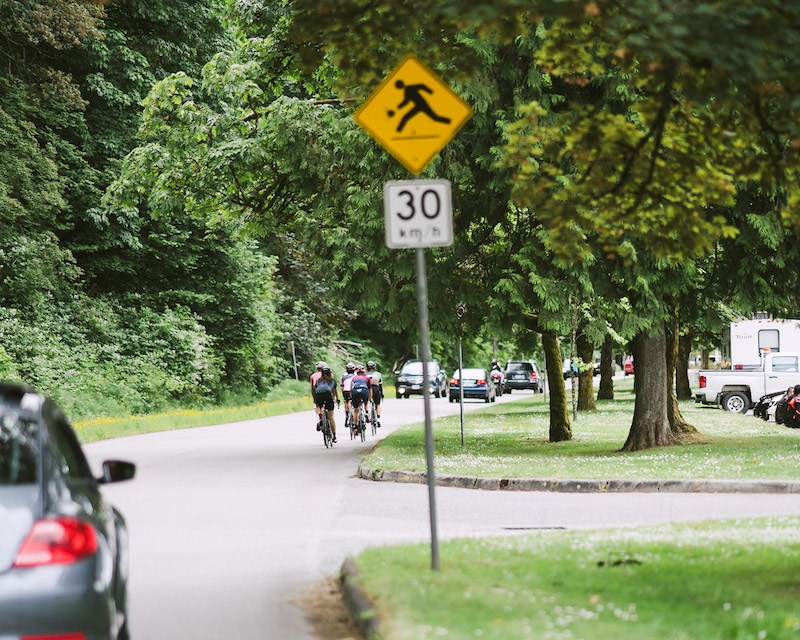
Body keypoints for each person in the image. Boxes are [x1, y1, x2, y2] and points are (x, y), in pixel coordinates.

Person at [313, 365, 340, 442]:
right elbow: (334, 392)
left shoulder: (318, 380)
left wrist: (315, 400)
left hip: (318, 395)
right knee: (331, 416)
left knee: (320, 407)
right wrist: (336, 399)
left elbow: (315, 390)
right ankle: (334, 436)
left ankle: (321, 419)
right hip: (328, 395)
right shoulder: (332, 380)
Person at [350, 364, 372, 435]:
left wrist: (351, 398)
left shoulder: (353, 378)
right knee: (366, 402)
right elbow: (370, 389)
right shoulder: (367, 378)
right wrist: (370, 398)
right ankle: (366, 413)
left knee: (356, 410)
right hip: (364, 390)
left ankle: (356, 426)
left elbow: (351, 389)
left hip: (355, 391)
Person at [366, 361, 383, 427]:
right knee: (377, 404)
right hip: (376, 388)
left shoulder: (364, 374)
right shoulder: (378, 374)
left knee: (366, 402)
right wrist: (381, 393)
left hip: (367, 388)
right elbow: (380, 385)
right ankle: (378, 419)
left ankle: (366, 414)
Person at [341, 363, 356, 427]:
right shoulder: (356, 375)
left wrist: (343, 394)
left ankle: (347, 415)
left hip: (345, 391)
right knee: (352, 402)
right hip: (353, 390)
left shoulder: (343, 376)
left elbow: (342, 386)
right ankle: (353, 415)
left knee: (346, 401)